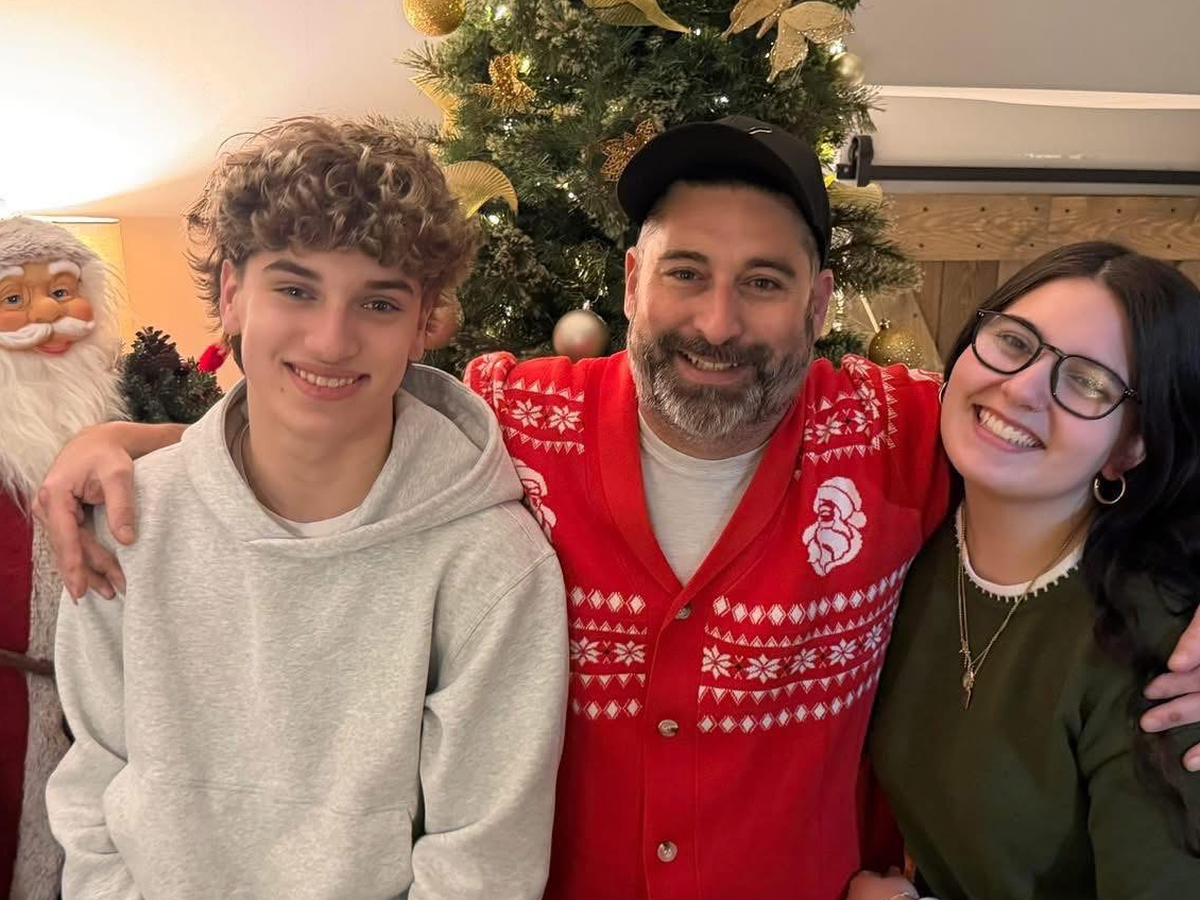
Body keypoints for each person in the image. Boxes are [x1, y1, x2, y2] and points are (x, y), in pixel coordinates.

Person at [36, 117, 1200, 900]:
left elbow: (1098, 440)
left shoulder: (904, 429)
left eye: (765, 282)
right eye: (686, 271)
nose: (718, 322)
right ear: (633, 281)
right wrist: (123, 442)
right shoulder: (507, 416)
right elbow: (333, 416)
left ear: (818, 305)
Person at [44, 117, 568, 900]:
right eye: (295, 290)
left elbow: (481, 864)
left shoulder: (491, 562)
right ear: (233, 295)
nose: (330, 340)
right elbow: (93, 783)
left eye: (378, 304)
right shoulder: (126, 519)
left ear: (423, 324)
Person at [854, 243, 1200, 900]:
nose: (1019, 388)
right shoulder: (904, 526)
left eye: (1088, 382)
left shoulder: (1166, 654)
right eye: (1014, 342)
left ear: (1130, 447)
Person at [0, 217, 126, 900]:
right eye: (13, 299)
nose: (47, 316)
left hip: (97, 695)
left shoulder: (113, 428)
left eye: (60, 291)